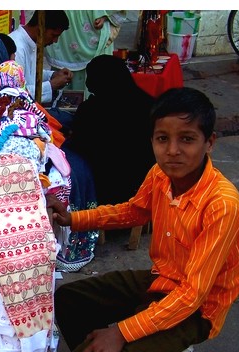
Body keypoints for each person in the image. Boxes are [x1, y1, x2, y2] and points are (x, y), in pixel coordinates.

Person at [45, 87, 239, 352]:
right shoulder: (160, 175)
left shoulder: (223, 205)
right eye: (162, 139)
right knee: (68, 299)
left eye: (186, 139)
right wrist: (74, 218)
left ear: (210, 142)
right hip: (162, 282)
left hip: (197, 310)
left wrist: (121, 333)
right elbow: (133, 212)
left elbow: (192, 295)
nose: (172, 151)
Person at [68, 54, 156, 206]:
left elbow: (79, 146)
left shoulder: (91, 111)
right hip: (145, 184)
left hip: (106, 190)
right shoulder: (150, 104)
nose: (88, 84)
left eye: (91, 78)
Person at [9, 11, 73, 129]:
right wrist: (51, 85)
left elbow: (30, 74)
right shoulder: (17, 47)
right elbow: (18, 94)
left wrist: (53, 75)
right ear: (40, 28)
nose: (55, 41)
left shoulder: (32, 42)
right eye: (54, 35)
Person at [45, 11, 126, 97]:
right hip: (64, 33)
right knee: (60, 83)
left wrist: (105, 16)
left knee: (98, 81)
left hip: (91, 21)